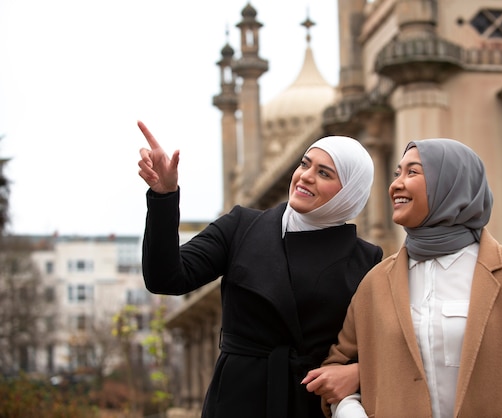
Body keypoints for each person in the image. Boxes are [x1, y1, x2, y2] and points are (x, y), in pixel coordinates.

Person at [303, 138, 502, 417]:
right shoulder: (376, 281)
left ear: (451, 184)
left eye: (412, 172)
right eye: (397, 174)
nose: (396, 185)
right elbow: (336, 368)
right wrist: (349, 410)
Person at [136, 120, 383, 418]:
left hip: (309, 404)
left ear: (350, 191)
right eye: (305, 164)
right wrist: (164, 197)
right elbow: (166, 277)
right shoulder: (242, 226)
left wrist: (358, 372)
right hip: (236, 400)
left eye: (324, 173)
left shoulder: (367, 259)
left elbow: (381, 343)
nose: (305, 177)